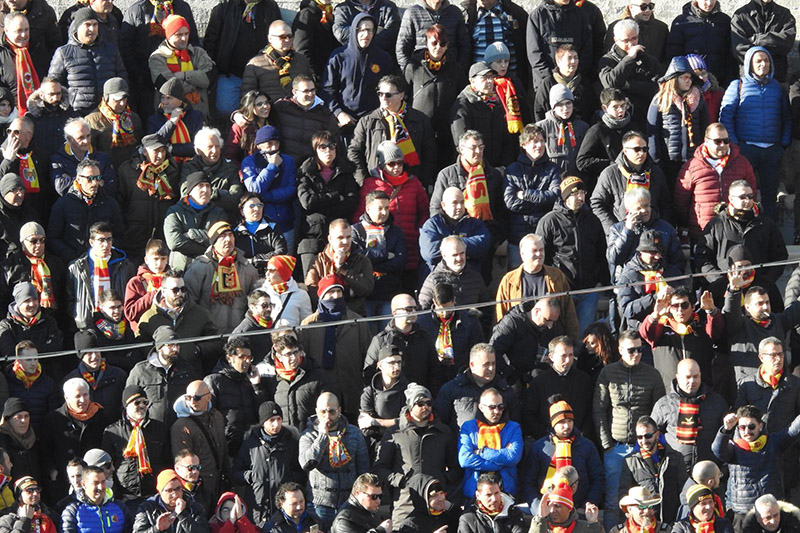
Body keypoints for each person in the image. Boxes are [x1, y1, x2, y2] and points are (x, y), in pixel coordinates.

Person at [594, 330, 666, 530]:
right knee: (612, 501)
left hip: (643, 447)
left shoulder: (653, 374)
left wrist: (653, 444)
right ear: (620, 350)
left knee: (646, 501)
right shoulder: (608, 373)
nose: (636, 354)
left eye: (640, 350)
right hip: (616, 447)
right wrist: (607, 445)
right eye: (631, 350)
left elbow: (660, 412)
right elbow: (599, 409)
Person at [720, 47, 791, 221]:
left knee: (770, 195)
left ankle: (769, 232)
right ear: (749, 64)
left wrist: (782, 143)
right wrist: (735, 144)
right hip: (746, 149)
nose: (762, 64)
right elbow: (726, 115)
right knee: (744, 193)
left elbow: (786, 116)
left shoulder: (777, 88)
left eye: (766, 61)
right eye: (758, 61)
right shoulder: (738, 85)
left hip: (772, 150)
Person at [373, 382, 459, 524]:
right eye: (420, 403)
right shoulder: (395, 433)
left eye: (429, 403)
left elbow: (456, 468)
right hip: (405, 505)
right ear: (410, 406)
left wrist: (442, 480)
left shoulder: (443, 432)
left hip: (435, 504)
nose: (425, 407)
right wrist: (401, 480)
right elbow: (380, 468)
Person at [429, 130, 507, 283]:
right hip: (453, 240)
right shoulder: (447, 174)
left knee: (482, 283)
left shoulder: (493, 175)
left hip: (482, 242)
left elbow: (500, 209)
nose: (478, 151)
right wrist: (447, 240)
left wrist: (494, 238)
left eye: (481, 147)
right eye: (473, 148)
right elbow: (435, 208)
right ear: (461, 149)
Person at [694, 180, 787, 304]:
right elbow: (702, 257)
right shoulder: (716, 224)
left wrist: (766, 281)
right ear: (731, 199)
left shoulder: (766, 223)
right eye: (742, 197)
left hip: (759, 290)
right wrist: (718, 280)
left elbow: (780, 256)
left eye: (750, 196)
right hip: (723, 289)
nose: (747, 201)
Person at [537, 176, 608, 335]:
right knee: (559, 335)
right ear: (565, 197)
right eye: (575, 193)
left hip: (588, 290)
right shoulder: (549, 221)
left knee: (583, 335)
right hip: (561, 289)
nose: (581, 197)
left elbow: (601, 253)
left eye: (583, 193)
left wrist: (601, 281)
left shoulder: (593, 221)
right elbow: (542, 256)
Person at [713, 405, 800, 529]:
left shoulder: (773, 442)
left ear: (761, 426)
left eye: (751, 426)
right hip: (743, 512)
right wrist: (726, 429)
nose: (747, 431)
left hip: (771, 511)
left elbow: (792, 430)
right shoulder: (734, 448)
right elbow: (718, 450)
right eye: (742, 427)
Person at [298, 275, 371, 418]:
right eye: (330, 292)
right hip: (322, 393)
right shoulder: (308, 325)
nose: (335, 296)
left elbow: (368, 354)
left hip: (352, 389)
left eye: (339, 291)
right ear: (321, 295)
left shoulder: (357, 322)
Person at [734, 337, 800, 494]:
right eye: (772, 355)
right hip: (756, 453)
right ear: (761, 357)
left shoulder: (795, 385)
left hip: (786, 452)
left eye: (781, 354)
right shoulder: (746, 384)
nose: (777, 359)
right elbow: (739, 415)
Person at [353, 140, 427, 278]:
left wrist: (418, 231)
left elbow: (425, 211)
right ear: (382, 164)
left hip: (411, 244)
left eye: (400, 163)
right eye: (391, 163)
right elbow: (359, 214)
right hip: (381, 245)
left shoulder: (414, 182)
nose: (396, 167)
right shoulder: (371, 184)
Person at [674, 123, 757, 242]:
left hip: (735, 231)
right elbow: (681, 203)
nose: (723, 145)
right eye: (717, 141)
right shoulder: (691, 167)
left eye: (726, 140)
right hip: (703, 233)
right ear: (706, 141)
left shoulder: (742, 164)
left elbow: (752, 193)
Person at [519, 397, 604, 512]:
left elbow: (597, 479)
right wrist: (538, 508)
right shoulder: (540, 447)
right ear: (553, 424)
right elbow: (528, 481)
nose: (567, 426)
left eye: (570, 421)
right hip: (547, 508)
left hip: (578, 509)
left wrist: (586, 506)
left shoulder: (587, 446)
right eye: (561, 422)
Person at [299, 392, 369, 530]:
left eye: (331, 411)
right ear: (316, 411)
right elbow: (306, 463)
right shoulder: (308, 435)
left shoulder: (354, 433)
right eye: (322, 412)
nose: (327, 416)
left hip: (350, 503)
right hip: (320, 505)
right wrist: (322, 437)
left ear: (339, 410)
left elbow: (364, 470)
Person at [349, 75, 435, 187]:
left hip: (410, 183)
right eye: (380, 94)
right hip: (376, 184)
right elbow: (354, 152)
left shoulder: (420, 120)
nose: (383, 98)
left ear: (401, 95)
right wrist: (364, 181)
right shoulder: (367, 120)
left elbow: (430, 153)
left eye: (388, 95)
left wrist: (420, 182)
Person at [202, 0, 281, 118]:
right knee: (225, 108)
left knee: (271, 109)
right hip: (232, 73)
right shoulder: (223, 9)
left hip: (264, 73)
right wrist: (215, 68)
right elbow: (210, 42)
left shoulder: (270, 7)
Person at [296, 130, 359, 274]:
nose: (328, 151)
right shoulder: (306, 171)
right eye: (322, 147)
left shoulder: (345, 171)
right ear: (315, 149)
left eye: (331, 146)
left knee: (338, 280)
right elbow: (307, 202)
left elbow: (351, 202)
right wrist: (336, 197)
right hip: (311, 235)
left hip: (338, 236)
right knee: (311, 282)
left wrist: (322, 204)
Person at [403, 25, 467, 168]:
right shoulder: (413, 66)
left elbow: (463, 95)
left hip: (446, 129)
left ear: (447, 45)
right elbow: (404, 96)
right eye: (434, 43)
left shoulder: (455, 67)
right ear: (426, 43)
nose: (438, 47)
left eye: (442, 44)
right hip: (419, 129)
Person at [136, 269, 219, 375]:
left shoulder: (200, 314)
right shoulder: (149, 317)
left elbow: (217, 342)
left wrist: (197, 349)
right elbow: (139, 346)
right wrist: (158, 355)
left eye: (183, 289)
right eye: (175, 290)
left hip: (192, 375)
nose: (180, 293)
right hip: (160, 377)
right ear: (163, 291)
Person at [233, 402, 303, 528]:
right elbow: (236, 473)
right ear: (263, 422)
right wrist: (250, 476)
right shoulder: (250, 445)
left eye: (279, 419)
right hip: (258, 511)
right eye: (271, 420)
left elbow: (301, 474)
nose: (276, 424)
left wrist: (288, 479)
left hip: (284, 511)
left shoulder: (291, 443)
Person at [183, 220, 259, 333]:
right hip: (208, 334)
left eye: (230, 235)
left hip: (238, 335)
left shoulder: (248, 269)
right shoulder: (199, 268)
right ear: (213, 242)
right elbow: (189, 304)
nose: (228, 240)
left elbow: (255, 304)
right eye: (222, 236)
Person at [101, 385, 170, 506]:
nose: (142, 406)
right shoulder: (112, 432)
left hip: (155, 495)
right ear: (126, 406)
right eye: (137, 402)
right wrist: (117, 495)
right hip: (126, 498)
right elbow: (107, 467)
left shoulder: (160, 429)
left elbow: (168, 461)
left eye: (145, 402)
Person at [47, 8, 127, 114]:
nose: (92, 29)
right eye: (87, 24)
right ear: (77, 27)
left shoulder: (110, 49)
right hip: (77, 114)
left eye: (95, 25)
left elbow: (122, 77)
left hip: (108, 113)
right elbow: (53, 83)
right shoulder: (63, 53)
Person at [503, 125, 561, 270]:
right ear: (524, 145)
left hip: (545, 236)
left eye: (542, 141)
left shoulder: (553, 169)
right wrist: (541, 202)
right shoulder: (512, 170)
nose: (540, 145)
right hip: (518, 238)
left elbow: (554, 196)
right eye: (534, 141)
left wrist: (525, 194)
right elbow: (511, 203)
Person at [640, 286, 720, 390]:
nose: (680, 310)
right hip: (669, 393)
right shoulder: (661, 329)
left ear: (693, 307)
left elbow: (716, 330)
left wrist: (711, 311)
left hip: (701, 391)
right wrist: (655, 315)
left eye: (684, 305)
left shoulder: (701, 327)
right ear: (669, 308)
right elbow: (645, 333)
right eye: (675, 306)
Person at [324, 14, 395, 133]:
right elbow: (327, 90)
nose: (366, 34)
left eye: (370, 30)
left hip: (374, 122)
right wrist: (339, 113)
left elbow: (390, 89)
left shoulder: (383, 58)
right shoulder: (338, 57)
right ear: (353, 31)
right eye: (361, 30)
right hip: (345, 122)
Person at [590, 131, 670, 234]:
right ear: (625, 151)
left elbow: (666, 203)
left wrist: (662, 228)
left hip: (652, 233)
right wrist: (613, 229)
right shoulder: (610, 173)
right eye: (636, 149)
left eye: (644, 149)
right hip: (622, 233)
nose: (641, 153)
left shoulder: (656, 172)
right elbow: (597, 203)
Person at [647, 56, 709, 188]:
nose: (689, 81)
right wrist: (656, 162)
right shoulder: (660, 100)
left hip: (694, 159)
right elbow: (652, 133)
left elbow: (705, 128)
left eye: (690, 77)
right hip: (668, 160)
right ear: (674, 79)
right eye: (684, 77)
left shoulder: (698, 99)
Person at [607, 188, 683, 295]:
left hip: (661, 285)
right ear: (629, 209)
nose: (644, 211)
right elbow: (614, 259)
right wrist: (628, 231)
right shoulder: (618, 229)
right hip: (630, 286)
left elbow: (677, 261)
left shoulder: (666, 229)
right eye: (639, 208)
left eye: (647, 205)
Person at [653, 358, 728, 467]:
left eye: (696, 376)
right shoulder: (664, 404)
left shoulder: (717, 402)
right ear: (678, 378)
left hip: (709, 470)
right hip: (676, 471)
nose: (692, 381)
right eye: (688, 377)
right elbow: (651, 434)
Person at [48, 161, 125, 265]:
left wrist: (107, 252)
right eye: (90, 178)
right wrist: (73, 257)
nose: (94, 183)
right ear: (78, 179)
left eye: (97, 178)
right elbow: (53, 238)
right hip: (74, 264)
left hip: (105, 262)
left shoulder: (110, 203)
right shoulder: (64, 204)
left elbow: (119, 234)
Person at [362, 292, 442, 390]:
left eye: (415, 308)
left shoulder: (424, 337)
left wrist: (430, 396)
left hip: (420, 400)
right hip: (391, 401)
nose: (413, 312)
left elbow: (435, 371)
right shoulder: (380, 341)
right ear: (395, 312)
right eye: (408, 309)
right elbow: (369, 374)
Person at [65, 221, 135, 331]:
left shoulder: (125, 266)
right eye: (101, 240)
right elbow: (70, 297)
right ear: (91, 242)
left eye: (109, 239)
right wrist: (78, 314)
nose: (106, 245)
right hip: (87, 323)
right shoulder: (77, 267)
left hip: (117, 322)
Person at [43, 378, 107, 498]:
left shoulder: (100, 416)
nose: (82, 400)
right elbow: (45, 449)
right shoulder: (54, 419)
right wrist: (52, 470)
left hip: (94, 478)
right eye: (77, 396)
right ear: (66, 398)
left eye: (85, 395)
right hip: (65, 479)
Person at [117, 136, 178, 259]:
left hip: (162, 238)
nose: (160, 155)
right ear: (144, 151)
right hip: (134, 237)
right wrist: (125, 229)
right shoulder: (127, 170)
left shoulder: (172, 170)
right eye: (156, 151)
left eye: (163, 151)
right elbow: (119, 203)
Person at [204, 337, 267, 456]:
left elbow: (262, 412)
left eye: (249, 357)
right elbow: (208, 417)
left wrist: (257, 386)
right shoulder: (214, 380)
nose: (247, 361)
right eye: (242, 357)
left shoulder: (250, 380)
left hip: (252, 444)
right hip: (227, 446)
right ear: (229, 358)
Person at [618, 415, 688, 523]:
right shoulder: (630, 461)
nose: (644, 440)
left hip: (672, 521)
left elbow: (684, 490)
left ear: (657, 434)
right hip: (645, 521)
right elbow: (624, 493)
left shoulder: (675, 457)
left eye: (648, 435)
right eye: (640, 437)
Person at [434, 343, 519, 429]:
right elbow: (440, 425)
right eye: (486, 364)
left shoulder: (506, 391)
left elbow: (516, 426)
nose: (491, 368)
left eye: (493, 364)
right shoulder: (452, 389)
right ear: (472, 365)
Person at [523, 336, 594, 438]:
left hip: (578, 441)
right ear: (551, 357)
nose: (568, 360)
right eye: (563, 356)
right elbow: (529, 414)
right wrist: (545, 435)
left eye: (571, 355)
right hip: (547, 441)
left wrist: (582, 436)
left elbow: (590, 412)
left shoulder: (584, 380)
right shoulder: (539, 382)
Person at [351, 190, 408, 316]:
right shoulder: (356, 230)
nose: (384, 212)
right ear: (368, 209)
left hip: (389, 291)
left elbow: (400, 262)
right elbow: (356, 258)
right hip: (364, 294)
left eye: (387, 208)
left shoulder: (396, 232)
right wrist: (385, 255)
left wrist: (369, 263)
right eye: (380, 208)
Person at [126, 325, 197, 425]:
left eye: (177, 345)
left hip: (181, 427)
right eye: (170, 345)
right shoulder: (141, 370)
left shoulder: (186, 369)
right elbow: (128, 401)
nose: (175, 349)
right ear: (159, 348)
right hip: (151, 428)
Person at [616, 230, 684, 332]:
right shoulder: (629, 275)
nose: (657, 256)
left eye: (659, 252)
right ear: (641, 251)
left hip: (669, 329)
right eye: (653, 252)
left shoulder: (672, 271)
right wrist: (654, 297)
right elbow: (627, 310)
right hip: (640, 330)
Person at [458, 388, 522, 497]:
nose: (497, 412)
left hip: (506, 490)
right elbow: (464, 460)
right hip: (474, 490)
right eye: (492, 407)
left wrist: (481, 452)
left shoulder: (513, 427)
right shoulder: (468, 427)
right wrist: (502, 458)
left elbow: (513, 458)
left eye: (500, 407)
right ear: (481, 407)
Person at [450, 62, 517, 168]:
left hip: (499, 168)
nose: (490, 81)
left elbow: (507, 140)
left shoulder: (498, 102)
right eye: (484, 78)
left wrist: (504, 166)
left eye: (491, 77)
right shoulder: (463, 105)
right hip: (475, 168)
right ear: (472, 81)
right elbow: (462, 142)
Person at [170, 380, 230, 499]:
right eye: (188, 397)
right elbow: (182, 464)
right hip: (198, 489)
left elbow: (223, 448)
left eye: (197, 398)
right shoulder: (181, 426)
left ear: (208, 397)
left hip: (218, 483)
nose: (192, 401)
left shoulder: (216, 416)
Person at [241, 125, 297, 250]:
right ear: (259, 145)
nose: (274, 148)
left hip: (285, 223)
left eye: (276, 143)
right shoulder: (249, 162)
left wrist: (266, 196)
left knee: (285, 265)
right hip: (261, 226)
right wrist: (272, 167)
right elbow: (254, 190)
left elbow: (291, 190)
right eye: (269, 144)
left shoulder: (288, 161)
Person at [599, 20, 663, 128]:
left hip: (647, 116)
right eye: (626, 41)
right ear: (616, 40)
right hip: (621, 121)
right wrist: (629, 59)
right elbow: (610, 83)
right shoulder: (607, 61)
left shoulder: (649, 60)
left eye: (634, 38)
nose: (631, 44)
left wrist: (629, 85)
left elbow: (657, 86)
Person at [148, 15, 214, 119]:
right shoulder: (157, 57)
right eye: (179, 35)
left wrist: (183, 75)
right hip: (168, 116)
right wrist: (195, 85)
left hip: (199, 112)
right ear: (168, 36)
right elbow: (167, 87)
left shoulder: (198, 53)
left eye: (186, 34)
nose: (184, 38)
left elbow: (208, 79)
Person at [304, 220, 375, 317]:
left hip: (354, 316)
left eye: (348, 237)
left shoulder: (362, 260)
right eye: (340, 238)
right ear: (330, 239)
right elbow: (313, 292)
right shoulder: (317, 261)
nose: (345, 242)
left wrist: (341, 268)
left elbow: (366, 289)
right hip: (325, 315)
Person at [416, 282, 484, 378]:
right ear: (434, 302)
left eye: (448, 308)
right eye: (441, 309)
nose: (444, 313)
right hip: (433, 374)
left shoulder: (469, 320)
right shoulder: (423, 322)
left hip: (462, 372)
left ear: (454, 301)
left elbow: (477, 348)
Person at [418, 236, 491, 325]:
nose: (459, 259)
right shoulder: (433, 280)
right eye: (455, 255)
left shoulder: (475, 277)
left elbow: (486, 309)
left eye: (462, 253)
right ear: (444, 255)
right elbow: (422, 312)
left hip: (471, 334)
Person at [576, 88, 640, 189]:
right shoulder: (597, 130)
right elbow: (582, 161)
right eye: (615, 107)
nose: (621, 110)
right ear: (605, 108)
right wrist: (612, 165)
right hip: (608, 183)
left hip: (632, 180)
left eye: (623, 106)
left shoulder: (633, 127)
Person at [163, 171, 227, 271]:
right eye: (200, 186)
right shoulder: (175, 211)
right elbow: (174, 242)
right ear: (190, 190)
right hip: (181, 270)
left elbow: (221, 241)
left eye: (208, 186)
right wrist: (206, 248)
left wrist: (191, 234)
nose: (205, 190)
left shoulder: (219, 213)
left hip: (210, 269)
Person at [420, 187, 491, 276]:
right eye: (454, 203)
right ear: (444, 205)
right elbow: (430, 254)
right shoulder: (432, 225)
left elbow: (483, 246)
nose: (459, 207)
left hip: (469, 279)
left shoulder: (475, 224)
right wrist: (465, 250)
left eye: (462, 202)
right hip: (438, 279)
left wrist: (449, 246)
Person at [525, 0, 593, 89]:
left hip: (576, 84)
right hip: (546, 84)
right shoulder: (538, 16)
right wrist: (552, 79)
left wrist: (574, 76)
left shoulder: (581, 15)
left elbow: (587, 50)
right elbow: (534, 54)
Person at [241, 21, 313, 104]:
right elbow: (247, 97)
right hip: (269, 112)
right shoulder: (255, 64)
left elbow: (311, 89)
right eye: (282, 37)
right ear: (270, 38)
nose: (287, 40)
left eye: (290, 36)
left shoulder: (302, 60)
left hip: (298, 111)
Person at [272, 76, 339, 164]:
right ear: (295, 92)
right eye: (306, 91)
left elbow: (334, 139)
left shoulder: (324, 113)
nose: (311, 94)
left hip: (311, 167)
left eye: (313, 90)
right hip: (285, 164)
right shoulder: (281, 107)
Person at [664, 0, 733, 86]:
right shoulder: (682, 22)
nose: (709, 3)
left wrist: (730, 82)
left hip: (720, 84)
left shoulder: (725, 21)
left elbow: (731, 56)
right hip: (691, 84)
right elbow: (674, 56)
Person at [180, 128, 242, 221]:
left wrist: (207, 195)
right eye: (210, 147)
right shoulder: (189, 168)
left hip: (222, 220)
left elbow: (235, 198)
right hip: (195, 220)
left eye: (217, 147)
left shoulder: (230, 169)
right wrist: (220, 195)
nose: (215, 151)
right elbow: (185, 194)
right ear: (199, 150)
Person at [490, 298, 561, 379]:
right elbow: (493, 352)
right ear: (536, 311)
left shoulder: (547, 327)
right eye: (547, 320)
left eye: (553, 322)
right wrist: (511, 376)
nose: (550, 326)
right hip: (512, 377)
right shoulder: (511, 323)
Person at [264, 335, 323, 431]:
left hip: (311, 437)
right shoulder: (273, 381)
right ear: (279, 356)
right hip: (285, 438)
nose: (294, 357)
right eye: (288, 354)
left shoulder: (316, 375)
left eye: (296, 352)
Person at [65, 329, 127, 420]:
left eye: (96, 351)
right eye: (89, 353)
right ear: (81, 356)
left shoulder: (118, 375)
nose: (94, 356)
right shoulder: (71, 380)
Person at [357, 344, 408, 454]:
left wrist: (376, 422)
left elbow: (407, 421)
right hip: (375, 444)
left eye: (399, 362)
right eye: (391, 363)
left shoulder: (408, 390)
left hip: (403, 441)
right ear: (380, 365)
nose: (397, 367)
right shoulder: (369, 391)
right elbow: (365, 426)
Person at [730, 0, 796, 84]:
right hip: (750, 80)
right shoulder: (741, 15)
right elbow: (738, 48)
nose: (764, 64)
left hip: (777, 78)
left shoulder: (784, 14)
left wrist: (757, 39)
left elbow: (786, 44)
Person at [50, 117, 117, 198]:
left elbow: (111, 187)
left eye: (88, 136)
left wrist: (77, 182)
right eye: (80, 137)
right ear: (69, 139)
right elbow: (61, 187)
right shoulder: (57, 160)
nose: (86, 141)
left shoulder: (103, 158)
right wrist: (97, 181)